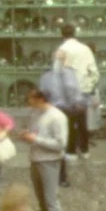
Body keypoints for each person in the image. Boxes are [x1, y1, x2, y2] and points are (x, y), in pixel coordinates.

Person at [16, 82, 69, 211]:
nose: (29, 102)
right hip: (36, 159)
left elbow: (60, 144)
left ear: (41, 99)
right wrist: (27, 136)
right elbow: (35, 134)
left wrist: (35, 139)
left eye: (31, 98)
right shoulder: (36, 114)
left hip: (50, 161)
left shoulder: (57, 117)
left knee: (51, 200)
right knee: (42, 201)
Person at [53, 21, 98, 159]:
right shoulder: (85, 49)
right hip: (83, 90)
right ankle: (84, 150)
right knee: (82, 120)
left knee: (69, 121)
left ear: (62, 35)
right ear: (75, 33)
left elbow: (56, 72)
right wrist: (88, 87)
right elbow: (94, 72)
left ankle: (71, 150)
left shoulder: (61, 50)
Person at [34, 58, 78, 188]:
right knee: (58, 144)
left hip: (60, 111)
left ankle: (59, 175)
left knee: (58, 143)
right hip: (57, 111)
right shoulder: (66, 75)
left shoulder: (48, 76)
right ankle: (60, 176)